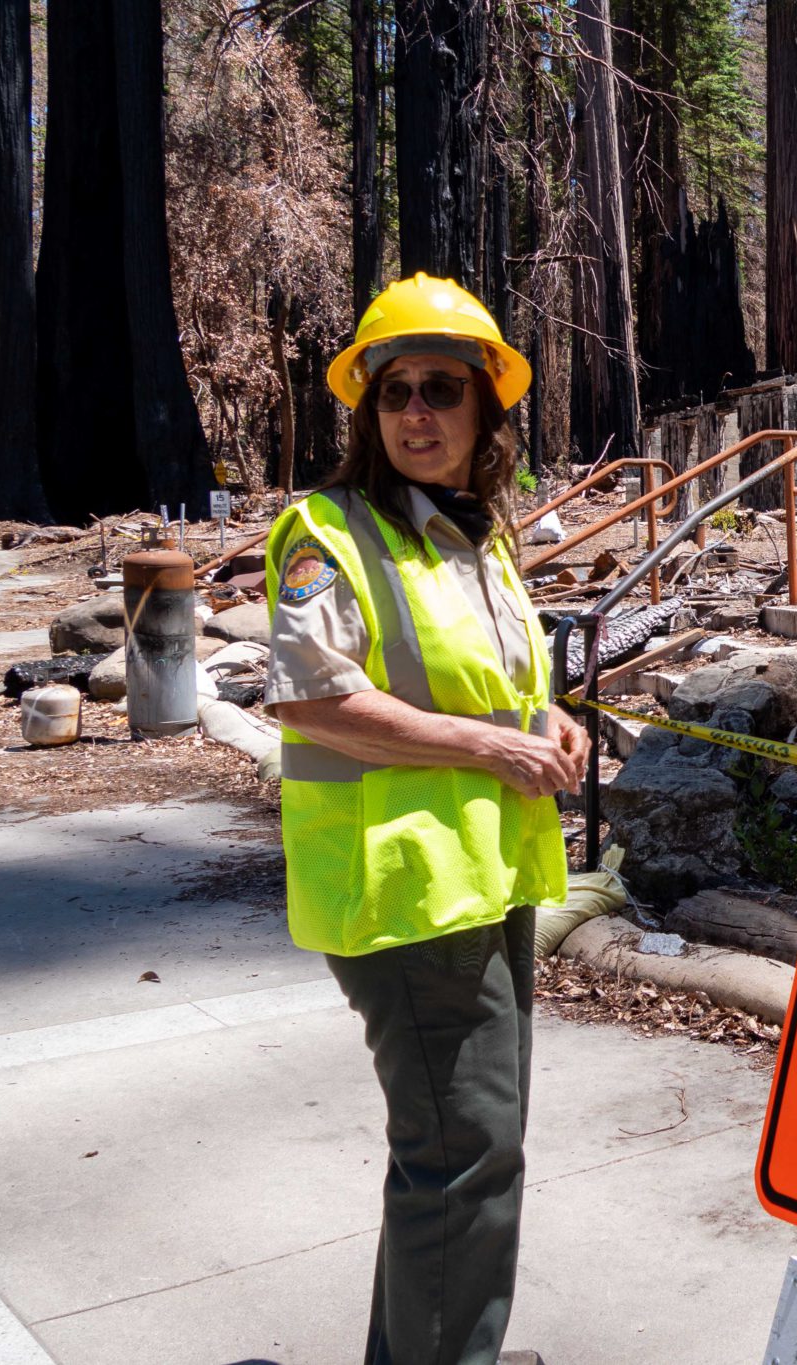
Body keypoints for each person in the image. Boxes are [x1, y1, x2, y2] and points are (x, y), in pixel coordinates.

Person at [263, 272, 588, 1365]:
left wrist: (548, 722)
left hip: (485, 882)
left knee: (455, 1156)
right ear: (369, 410)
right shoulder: (327, 533)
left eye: (441, 389)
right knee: (466, 1159)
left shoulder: (475, 538)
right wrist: (495, 749)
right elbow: (317, 702)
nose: (415, 411)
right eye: (393, 389)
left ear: (483, 407)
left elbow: (492, 689)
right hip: (402, 895)